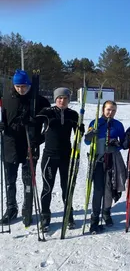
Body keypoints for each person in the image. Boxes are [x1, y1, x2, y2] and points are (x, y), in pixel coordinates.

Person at [0, 70, 50, 226]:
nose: (20, 89)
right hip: (10, 145)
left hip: (30, 145)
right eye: (18, 86)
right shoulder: (6, 99)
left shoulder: (40, 101)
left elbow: (48, 126)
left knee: (28, 179)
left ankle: (27, 209)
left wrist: (39, 138)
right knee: (10, 180)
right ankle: (11, 208)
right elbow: (5, 119)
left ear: (29, 85)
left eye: (24, 86)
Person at [35, 87, 84, 231]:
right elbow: (35, 123)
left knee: (66, 188)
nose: (62, 101)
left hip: (66, 156)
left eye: (65, 98)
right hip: (49, 156)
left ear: (69, 99)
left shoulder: (73, 114)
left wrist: (80, 129)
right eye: (59, 98)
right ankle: (45, 216)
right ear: (55, 99)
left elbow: (78, 135)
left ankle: (69, 215)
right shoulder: (47, 112)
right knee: (47, 187)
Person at [84, 100, 126, 234]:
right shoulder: (95, 123)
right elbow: (86, 141)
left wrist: (117, 144)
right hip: (98, 160)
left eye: (113, 110)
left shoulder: (118, 125)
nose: (111, 112)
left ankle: (106, 212)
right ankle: (94, 219)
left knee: (110, 188)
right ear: (103, 109)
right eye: (108, 109)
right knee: (98, 190)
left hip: (113, 160)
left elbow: (124, 143)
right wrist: (90, 135)